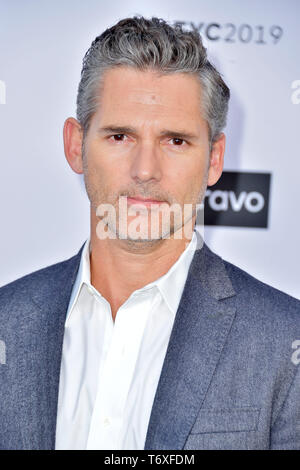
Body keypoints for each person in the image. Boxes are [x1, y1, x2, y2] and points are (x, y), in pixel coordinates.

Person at [0, 16, 299, 451]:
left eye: (175, 141)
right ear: (75, 145)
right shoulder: (7, 322)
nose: (145, 170)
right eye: (120, 136)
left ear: (215, 159)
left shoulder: (284, 345)